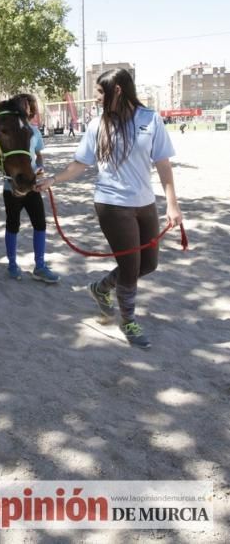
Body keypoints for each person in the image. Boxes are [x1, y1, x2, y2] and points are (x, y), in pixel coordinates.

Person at [38, 68, 182, 349]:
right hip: (112, 204)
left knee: (149, 264)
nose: (95, 100)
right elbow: (80, 163)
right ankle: (128, 320)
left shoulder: (150, 119)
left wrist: (172, 205)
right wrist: (52, 180)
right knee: (130, 266)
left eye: (100, 93)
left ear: (117, 91)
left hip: (145, 203)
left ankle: (100, 288)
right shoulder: (97, 125)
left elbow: (163, 163)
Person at [3, 93, 60, 284]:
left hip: (33, 184)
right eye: (20, 104)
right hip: (12, 186)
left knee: (40, 224)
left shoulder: (34, 131)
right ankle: (12, 264)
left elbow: (38, 155)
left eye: (26, 105)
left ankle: (40, 266)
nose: (23, 107)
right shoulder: (8, 129)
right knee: (13, 224)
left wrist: (41, 169)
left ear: (31, 108)